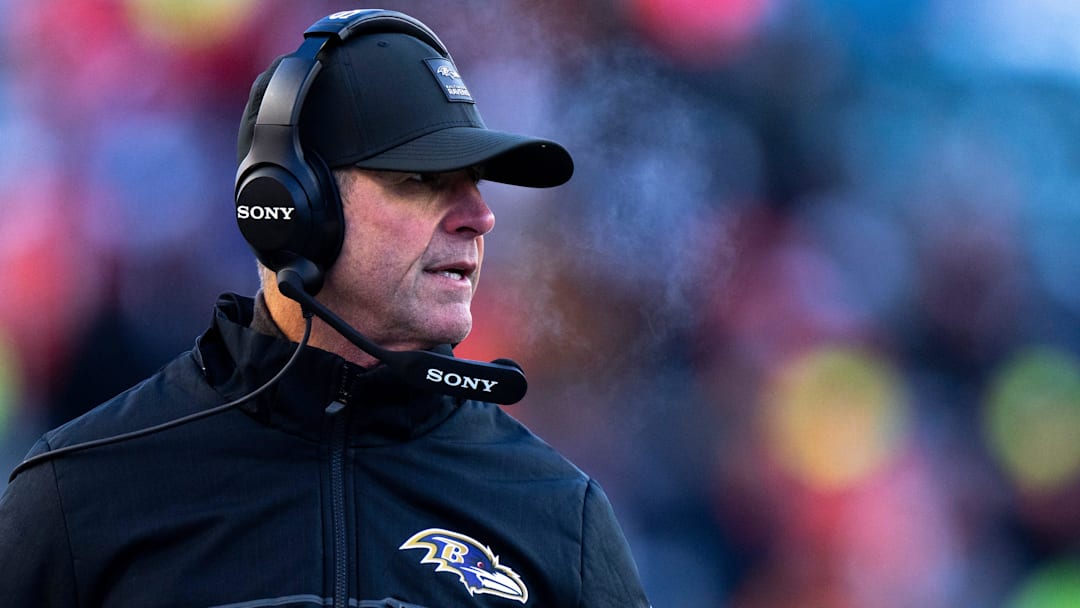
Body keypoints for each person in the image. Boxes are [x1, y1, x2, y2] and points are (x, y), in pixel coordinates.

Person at [0, 8, 651, 608]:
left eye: (476, 186)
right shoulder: (81, 496)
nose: (480, 218)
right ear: (291, 208)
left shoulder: (562, 520)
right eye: (423, 181)